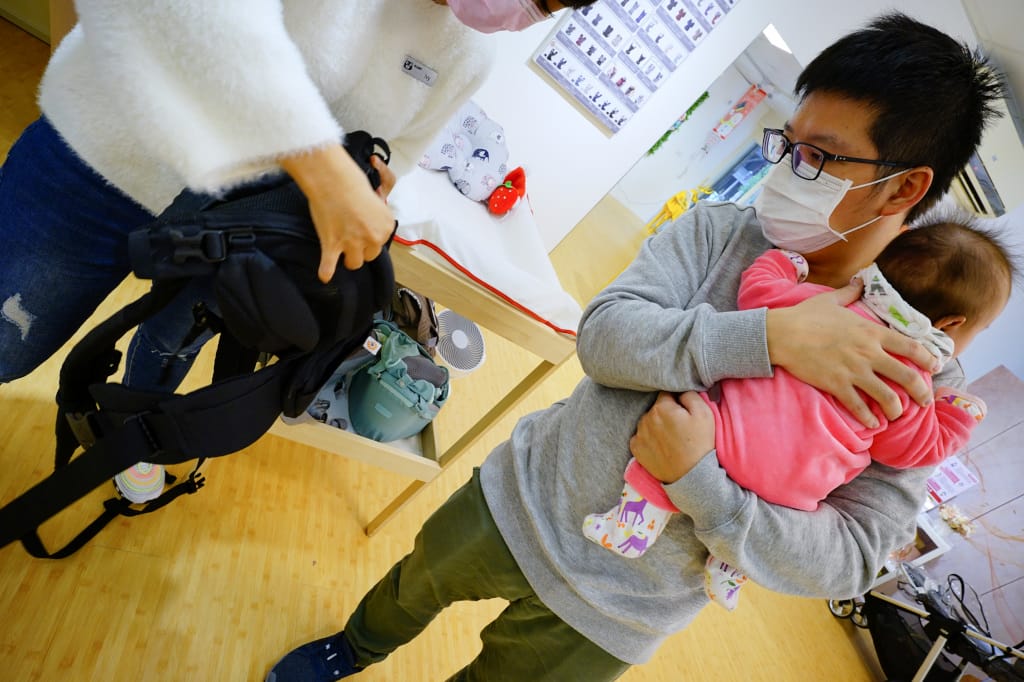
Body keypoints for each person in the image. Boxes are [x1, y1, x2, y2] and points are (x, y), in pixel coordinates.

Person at [265, 12, 1007, 682]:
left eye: (820, 158)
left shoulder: (913, 376)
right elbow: (605, 337)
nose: (789, 173)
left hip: (619, 615)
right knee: (411, 586)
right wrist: (770, 334)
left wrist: (700, 484)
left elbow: (849, 556)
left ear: (903, 189)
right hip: (521, 499)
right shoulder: (720, 235)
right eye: (790, 145)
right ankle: (354, 647)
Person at [0, 0, 593, 501]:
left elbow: (401, 150)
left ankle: (131, 425)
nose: (518, 10)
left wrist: (373, 174)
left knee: (170, 339)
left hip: (233, 232)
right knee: (8, 348)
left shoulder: (468, 55)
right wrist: (319, 162)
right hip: (108, 161)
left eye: (543, 7)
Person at [583, 216, 1015, 611]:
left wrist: (785, 265)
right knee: (776, 526)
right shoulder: (914, 381)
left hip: (727, 438)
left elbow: (758, 290)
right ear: (953, 324)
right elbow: (912, 448)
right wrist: (959, 416)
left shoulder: (830, 304)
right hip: (794, 491)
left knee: (670, 437)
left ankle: (632, 526)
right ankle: (730, 570)